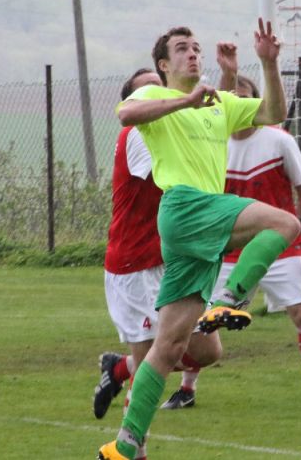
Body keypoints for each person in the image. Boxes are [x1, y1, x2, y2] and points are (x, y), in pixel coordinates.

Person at [99, 18, 301, 460]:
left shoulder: (218, 103)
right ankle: (230, 296)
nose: (193, 53)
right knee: (285, 225)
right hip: (186, 206)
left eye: (196, 47)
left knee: (169, 346)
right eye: (182, 48)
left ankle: (125, 445)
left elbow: (274, 114)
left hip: (191, 228)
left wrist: (269, 63)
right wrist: (185, 100)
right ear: (163, 64)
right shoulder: (156, 94)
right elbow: (125, 115)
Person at [160, 75, 301, 411]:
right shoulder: (213, 142)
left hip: (277, 243)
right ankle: (186, 389)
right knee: (201, 321)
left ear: (256, 105)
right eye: (232, 98)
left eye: (246, 99)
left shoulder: (279, 141)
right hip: (230, 247)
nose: (238, 105)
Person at [94, 63, 233, 433]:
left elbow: (217, 126)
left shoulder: (173, 129)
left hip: (169, 260)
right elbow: (179, 177)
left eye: (160, 88)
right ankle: (128, 448)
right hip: (135, 265)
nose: (158, 95)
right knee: (153, 365)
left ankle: (117, 368)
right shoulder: (140, 135)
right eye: (147, 91)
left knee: (207, 352)